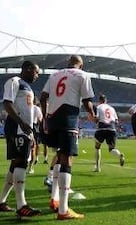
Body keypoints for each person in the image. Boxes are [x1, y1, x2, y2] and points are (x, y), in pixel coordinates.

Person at [40, 55, 95, 220]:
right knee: (66, 159)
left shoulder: (54, 75)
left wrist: (45, 118)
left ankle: (54, 199)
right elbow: (86, 100)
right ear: (81, 65)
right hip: (68, 117)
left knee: (58, 155)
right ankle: (63, 210)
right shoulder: (82, 75)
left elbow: (43, 97)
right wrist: (92, 114)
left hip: (52, 117)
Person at [0, 61, 41, 217]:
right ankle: (22, 205)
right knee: (21, 162)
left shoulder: (28, 87)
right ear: (27, 69)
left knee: (16, 164)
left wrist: (31, 132)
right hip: (16, 128)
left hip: (25, 130)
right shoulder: (14, 82)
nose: (37, 75)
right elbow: (7, 103)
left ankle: (0, 201)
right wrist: (21, 123)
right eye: (36, 72)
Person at [93, 94, 125, 172]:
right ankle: (119, 155)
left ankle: (97, 167)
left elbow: (97, 118)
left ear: (100, 101)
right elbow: (116, 121)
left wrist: (95, 121)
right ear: (106, 100)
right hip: (111, 129)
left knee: (97, 146)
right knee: (111, 149)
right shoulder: (112, 108)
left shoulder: (99, 107)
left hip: (101, 128)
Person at [27, 101, 43, 174]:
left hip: (25, 126)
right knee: (33, 147)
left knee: (25, 146)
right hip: (34, 127)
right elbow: (40, 120)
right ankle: (30, 167)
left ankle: (23, 166)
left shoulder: (26, 107)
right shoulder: (37, 108)